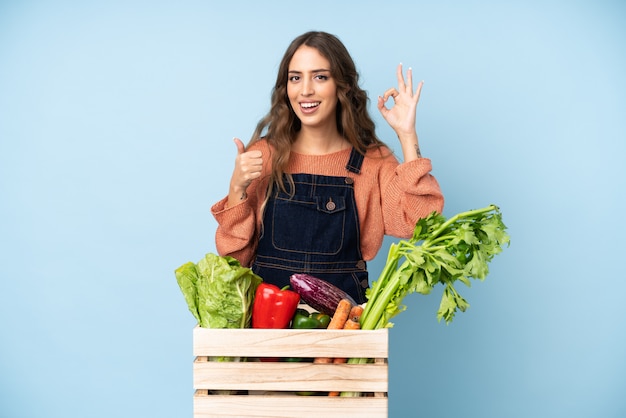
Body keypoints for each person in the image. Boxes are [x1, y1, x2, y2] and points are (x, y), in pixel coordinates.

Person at [211, 31, 444, 304]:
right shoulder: (264, 156)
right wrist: (237, 188)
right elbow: (233, 261)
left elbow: (422, 223)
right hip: (270, 330)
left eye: (320, 76)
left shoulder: (372, 160)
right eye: (295, 77)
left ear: (342, 86)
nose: (305, 90)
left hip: (344, 329)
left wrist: (407, 135)